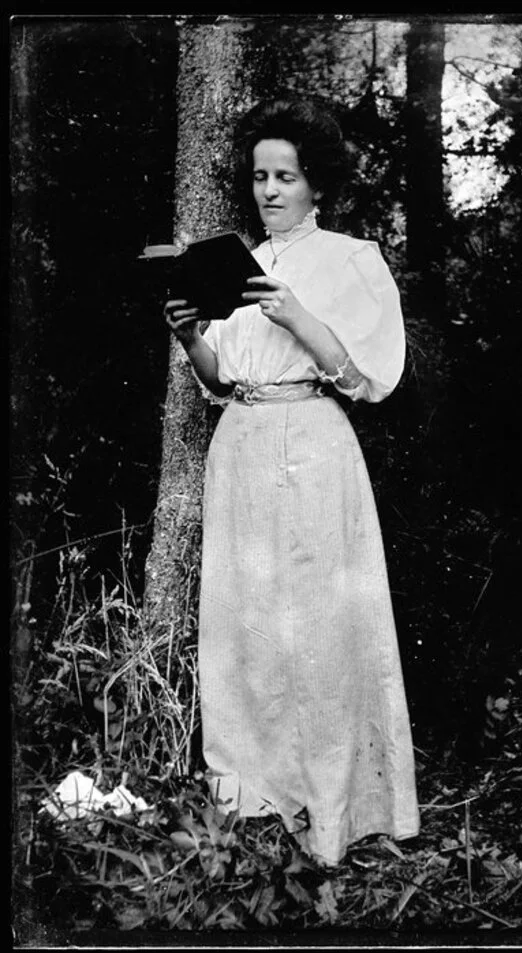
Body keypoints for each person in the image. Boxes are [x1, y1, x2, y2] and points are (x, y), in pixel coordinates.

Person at [163, 99, 420, 867]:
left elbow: (366, 379)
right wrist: (190, 334)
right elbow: (221, 379)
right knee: (246, 621)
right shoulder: (242, 264)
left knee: (319, 625)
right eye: (260, 178)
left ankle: (335, 806)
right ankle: (253, 795)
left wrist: (298, 316)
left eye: (287, 177)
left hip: (312, 442)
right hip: (240, 445)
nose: (270, 191)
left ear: (318, 184)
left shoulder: (350, 259)